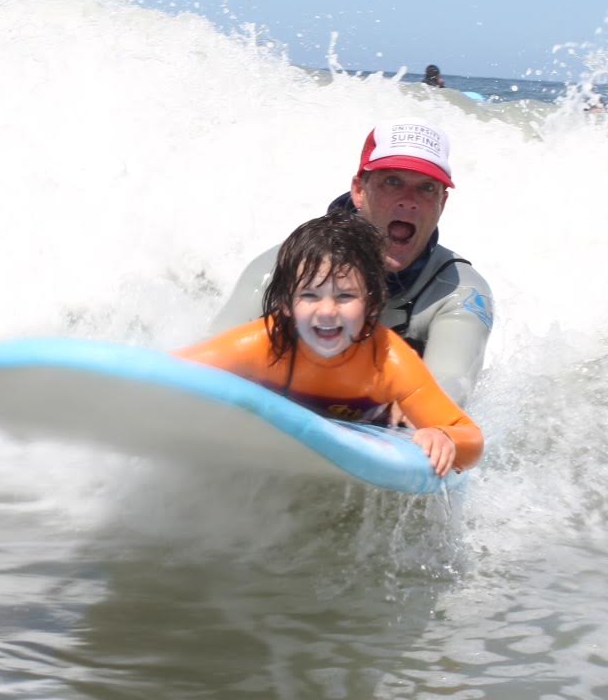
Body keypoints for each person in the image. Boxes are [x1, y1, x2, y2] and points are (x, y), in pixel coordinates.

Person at [210, 118, 494, 403]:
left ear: (442, 203)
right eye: (392, 182)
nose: (409, 201)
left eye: (427, 188)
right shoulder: (285, 266)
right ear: (359, 191)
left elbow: (449, 393)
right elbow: (210, 365)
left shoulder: (458, 293)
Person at [180, 214, 482, 476]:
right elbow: (173, 372)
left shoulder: (389, 361)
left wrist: (445, 438)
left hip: (372, 428)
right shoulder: (263, 342)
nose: (326, 311)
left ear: (372, 304)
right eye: (309, 296)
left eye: (345, 296)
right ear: (285, 304)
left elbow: (468, 435)